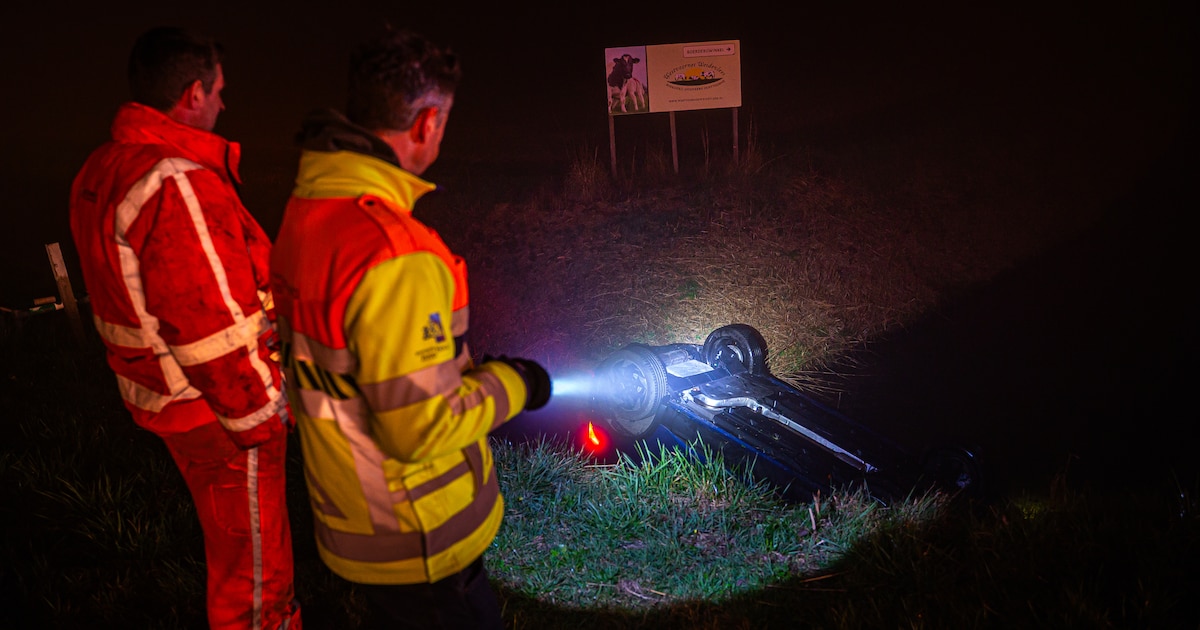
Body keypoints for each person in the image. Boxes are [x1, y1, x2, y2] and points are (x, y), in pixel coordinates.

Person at [269, 28, 551, 630]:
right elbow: (420, 427)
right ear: (427, 123)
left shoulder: (308, 212)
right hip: (419, 535)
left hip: (354, 515)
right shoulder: (395, 251)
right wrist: (516, 383)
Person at [68, 27, 301, 629]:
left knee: (234, 556)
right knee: (255, 575)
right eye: (220, 91)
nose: (226, 104)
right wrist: (264, 418)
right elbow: (208, 327)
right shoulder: (175, 179)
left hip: (164, 398)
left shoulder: (104, 166)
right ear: (193, 93)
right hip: (217, 414)